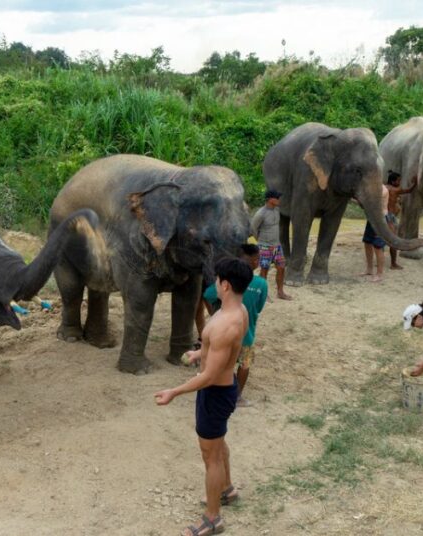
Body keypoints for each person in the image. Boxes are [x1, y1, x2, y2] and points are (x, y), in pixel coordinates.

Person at [156, 258, 251, 536]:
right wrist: (201, 352)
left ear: (226, 284)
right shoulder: (239, 310)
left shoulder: (226, 324)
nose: (214, 284)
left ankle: (213, 519)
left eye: (217, 279)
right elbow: (225, 352)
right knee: (218, 444)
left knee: (210, 456)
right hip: (222, 387)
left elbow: (208, 376)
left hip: (215, 392)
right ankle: (227, 490)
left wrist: (174, 391)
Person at [202, 245, 267, 408]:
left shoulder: (226, 283)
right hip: (248, 334)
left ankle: (223, 391)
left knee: (225, 362)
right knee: (245, 364)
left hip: (225, 334)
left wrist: (214, 314)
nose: (258, 261)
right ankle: (237, 396)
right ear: (252, 262)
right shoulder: (261, 284)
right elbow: (259, 308)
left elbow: (207, 295)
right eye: (257, 258)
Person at [251, 189, 291, 300]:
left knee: (282, 268)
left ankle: (280, 292)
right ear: (269, 199)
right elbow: (253, 228)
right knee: (264, 270)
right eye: (277, 198)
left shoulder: (277, 210)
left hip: (277, 246)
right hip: (264, 247)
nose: (279, 200)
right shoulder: (260, 214)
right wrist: (260, 241)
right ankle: (262, 294)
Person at [384, 171, 418, 269]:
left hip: (384, 215)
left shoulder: (384, 187)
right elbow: (409, 190)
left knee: (381, 238)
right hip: (391, 217)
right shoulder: (396, 189)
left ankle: (380, 258)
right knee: (394, 241)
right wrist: (415, 183)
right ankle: (393, 264)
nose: (400, 182)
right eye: (398, 180)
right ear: (393, 181)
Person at [360, 183, 389, 282]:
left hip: (380, 220)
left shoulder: (383, 190)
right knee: (367, 243)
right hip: (371, 219)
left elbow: (369, 201)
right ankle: (369, 269)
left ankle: (379, 274)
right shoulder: (373, 187)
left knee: (378, 247)